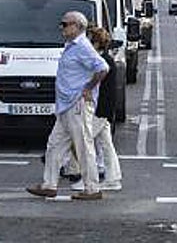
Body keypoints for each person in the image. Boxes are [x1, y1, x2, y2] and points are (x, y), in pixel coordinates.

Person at [26, 11, 108, 201]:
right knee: (54, 145)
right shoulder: (72, 47)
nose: (61, 27)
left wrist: (88, 88)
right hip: (66, 105)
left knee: (83, 146)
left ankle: (92, 188)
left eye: (65, 24)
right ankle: (49, 185)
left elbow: (103, 67)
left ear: (77, 26)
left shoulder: (82, 46)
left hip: (77, 104)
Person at [70, 27, 121, 192]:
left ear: (97, 43)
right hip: (105, 109)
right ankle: (113, 178)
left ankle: (87, 179)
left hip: (99, 109)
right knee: (106, 144)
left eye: (90, 40)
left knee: (85, 143)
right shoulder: (106, 59)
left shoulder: (101, 62)